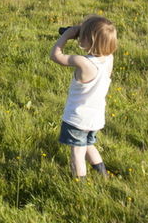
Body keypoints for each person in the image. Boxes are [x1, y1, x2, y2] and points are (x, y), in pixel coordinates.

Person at [50, 14, 118, 179]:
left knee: (77, 151)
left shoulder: (83, 62)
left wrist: (66, 36)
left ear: (88, 40)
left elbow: (55, 56)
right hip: (96, 117)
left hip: (78, 117)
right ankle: (103, 174)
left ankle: (79, 183)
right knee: (88, 144)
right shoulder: (109, 59)